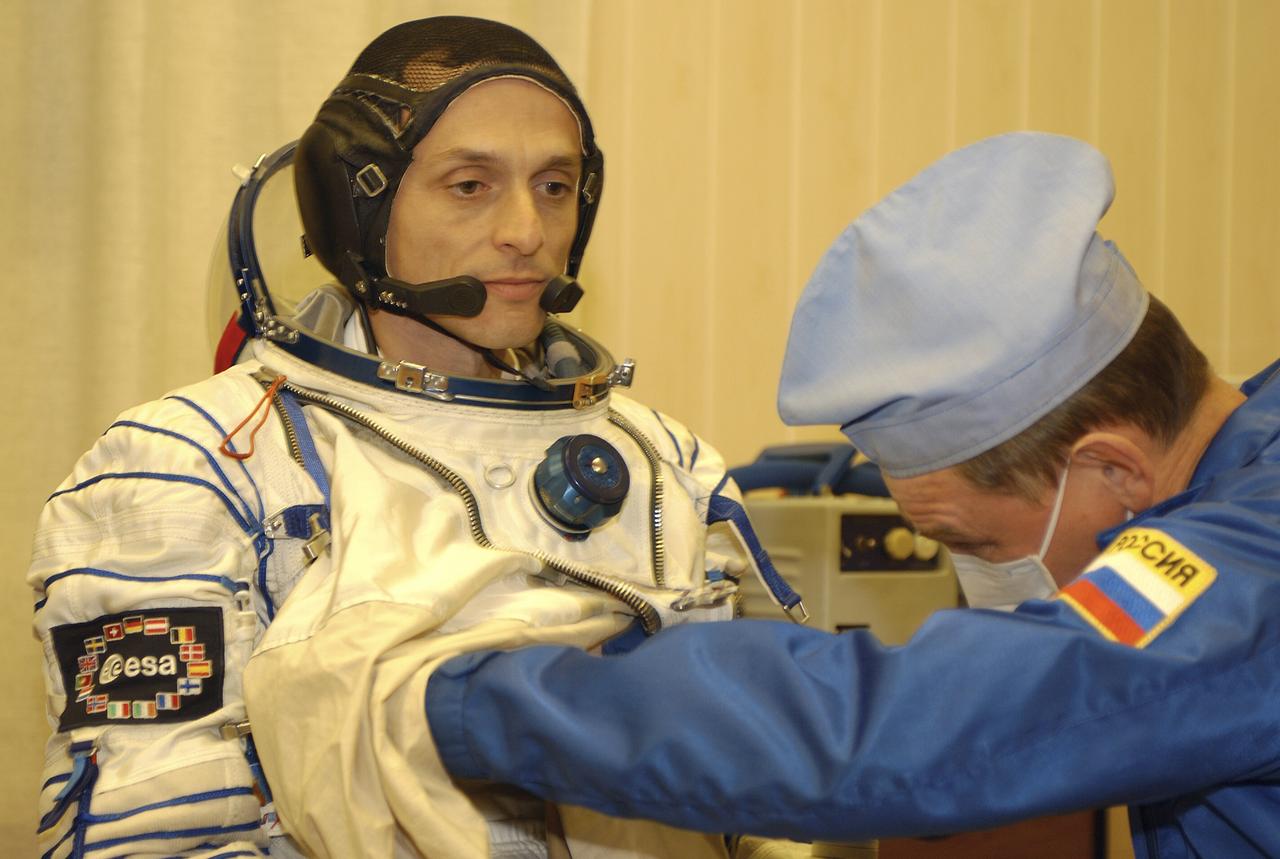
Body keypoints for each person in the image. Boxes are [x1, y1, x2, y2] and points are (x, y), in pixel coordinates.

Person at [29, 17, 797, 859]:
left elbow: (760, 791)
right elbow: (157, 838)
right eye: (470, 185)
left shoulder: (666, 464)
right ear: (356, 207)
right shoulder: (196, 463)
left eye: (554, 185)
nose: (527, 231)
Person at [422, 132, 1280, 858]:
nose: (973, 574)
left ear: (1115, 468)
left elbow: (902, 732)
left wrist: (457, 698)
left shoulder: (1247, 583)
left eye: (976, 543)